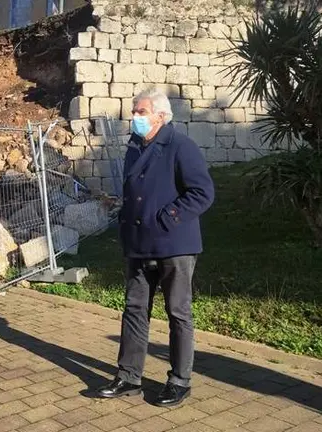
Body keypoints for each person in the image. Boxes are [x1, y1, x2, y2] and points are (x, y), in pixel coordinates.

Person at [97, 88, 215, 407]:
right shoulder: (135, 147)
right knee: (134, 310)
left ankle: (179, 380)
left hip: (173, 243)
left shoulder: (180, 146)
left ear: (160, 116)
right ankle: (129, 376)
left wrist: (167, 218)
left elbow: (202, 192)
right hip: (138, 244)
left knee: (178, 312)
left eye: (140, 111)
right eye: (134, 111)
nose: (134, 117)